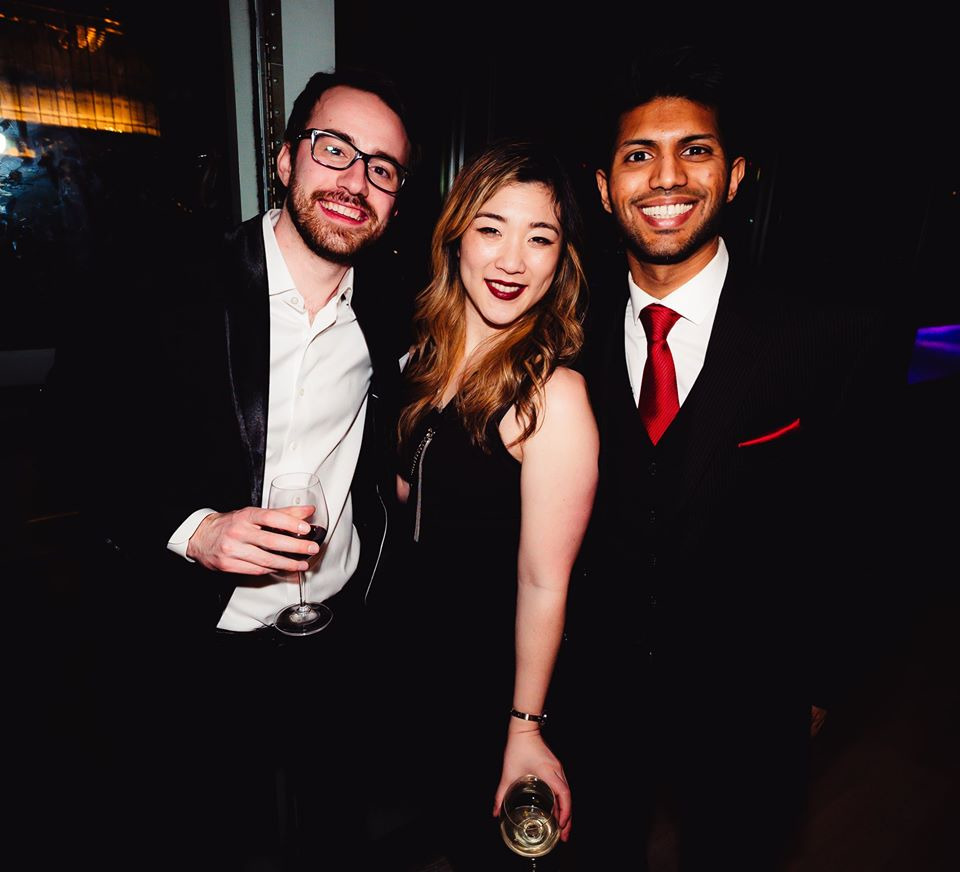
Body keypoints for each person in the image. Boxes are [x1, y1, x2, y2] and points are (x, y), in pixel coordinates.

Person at [49, 68, 414, 870]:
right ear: (285, 159)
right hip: (201, 641)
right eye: (334, 149)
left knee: (336, 834)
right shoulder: (167, 281)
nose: (356, 181)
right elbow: (74, 435)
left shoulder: (395, 304)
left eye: (382, 168)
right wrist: (196, 530)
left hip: (337, 631)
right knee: (212, 836)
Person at [562, 48, 907, 870]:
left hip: (752, 705)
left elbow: (866, 521)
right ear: (606, 188)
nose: (667, 177)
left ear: (737, 174)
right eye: (639, 155)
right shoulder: (562, 333)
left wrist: (822, 683)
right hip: (596, 705)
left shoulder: (827, 336)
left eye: (696, 149)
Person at [394, 141, 598, 870]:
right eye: (491, 228)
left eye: (540, 237)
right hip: (424, 662)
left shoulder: (552, 396)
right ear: (456, 237)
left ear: (562, 260)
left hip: (498, 679)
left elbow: (545, 583)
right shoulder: (426, 361)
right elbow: (415, 499)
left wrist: (524, 727)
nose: (512, 260)